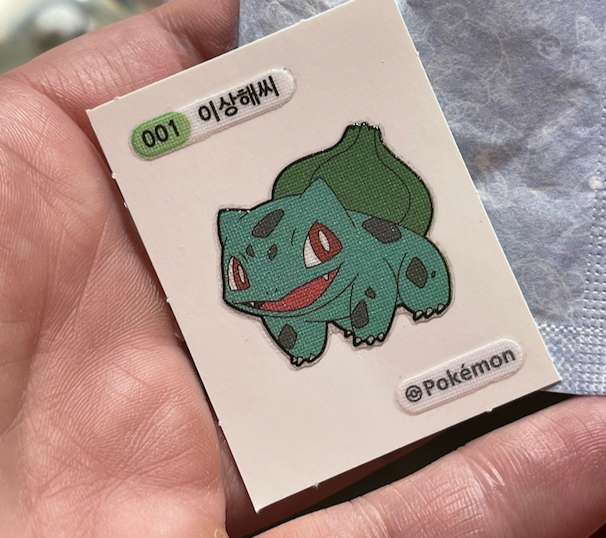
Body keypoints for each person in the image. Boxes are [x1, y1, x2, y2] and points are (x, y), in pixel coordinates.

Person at [0, 0, 604, 536]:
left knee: (404, 268)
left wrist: (375, 320)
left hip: (382, 262)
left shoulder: (362, 242)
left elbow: (375, 283)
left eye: (315, 246)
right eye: (239, 276)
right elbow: (283, 314)